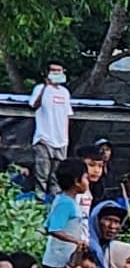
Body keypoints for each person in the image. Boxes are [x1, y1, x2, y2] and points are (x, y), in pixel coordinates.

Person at [29, 64, 71, 200]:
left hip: (61, 140)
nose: (57, 73)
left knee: (56, 176)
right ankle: (39, 202)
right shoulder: (40, 88)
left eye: (60, 70)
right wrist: (46, 87)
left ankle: (55, 202)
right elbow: (34, 104)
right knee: (42, 174)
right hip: (44, 138)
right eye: (54, 70)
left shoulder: (65, 92)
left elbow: (67, 115)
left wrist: (66, 137)